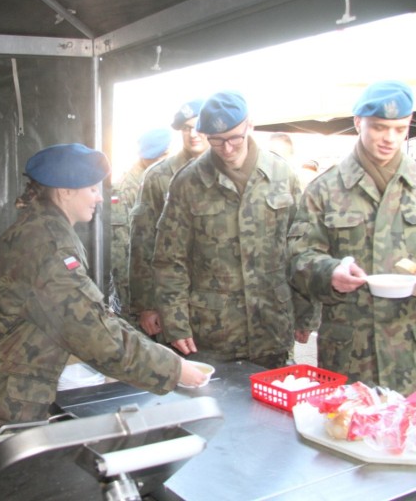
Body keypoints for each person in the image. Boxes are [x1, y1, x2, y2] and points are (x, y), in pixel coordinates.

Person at [0, 143, 206, 438]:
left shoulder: (41, 229)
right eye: (92, 188)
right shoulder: (48, 244)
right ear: (65, 191)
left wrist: (150, 353)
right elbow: (93, 332)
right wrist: (173, 370)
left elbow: (92, 315)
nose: (99, 197)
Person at [288, 80, 416, 395]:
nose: (389, 139)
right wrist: (329, 273)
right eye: (379, 128)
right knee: (345, 435)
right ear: (357, 123)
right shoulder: (326, 189)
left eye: (399, 128)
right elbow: (298, 256)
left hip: (414, 353)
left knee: (412, 438)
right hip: (349, 353)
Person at [151, 91, 313, 368]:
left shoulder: (282, 175)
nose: (226, 148)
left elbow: (303, 249)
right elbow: (169, 260)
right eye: (216, 140)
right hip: (212, 334)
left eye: (233, 138)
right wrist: (176, 323)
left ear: (249, 125)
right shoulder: (188, 182)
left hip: (272, 326)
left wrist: (307, 314)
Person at [128, 99, 207, 336]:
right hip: (173, 302)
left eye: (199, 126)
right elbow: (142, 244)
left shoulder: (230, 171)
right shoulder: (158, 176)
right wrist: (146, 305)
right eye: (186, 128)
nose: (193, 134)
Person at [109, 127, 172, 315]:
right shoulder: (124, 191)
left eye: (164, 155)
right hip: (137, 297)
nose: (161, 161)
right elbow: (121, 253)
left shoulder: (169, 180)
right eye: (155, 156)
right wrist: (136, 302)